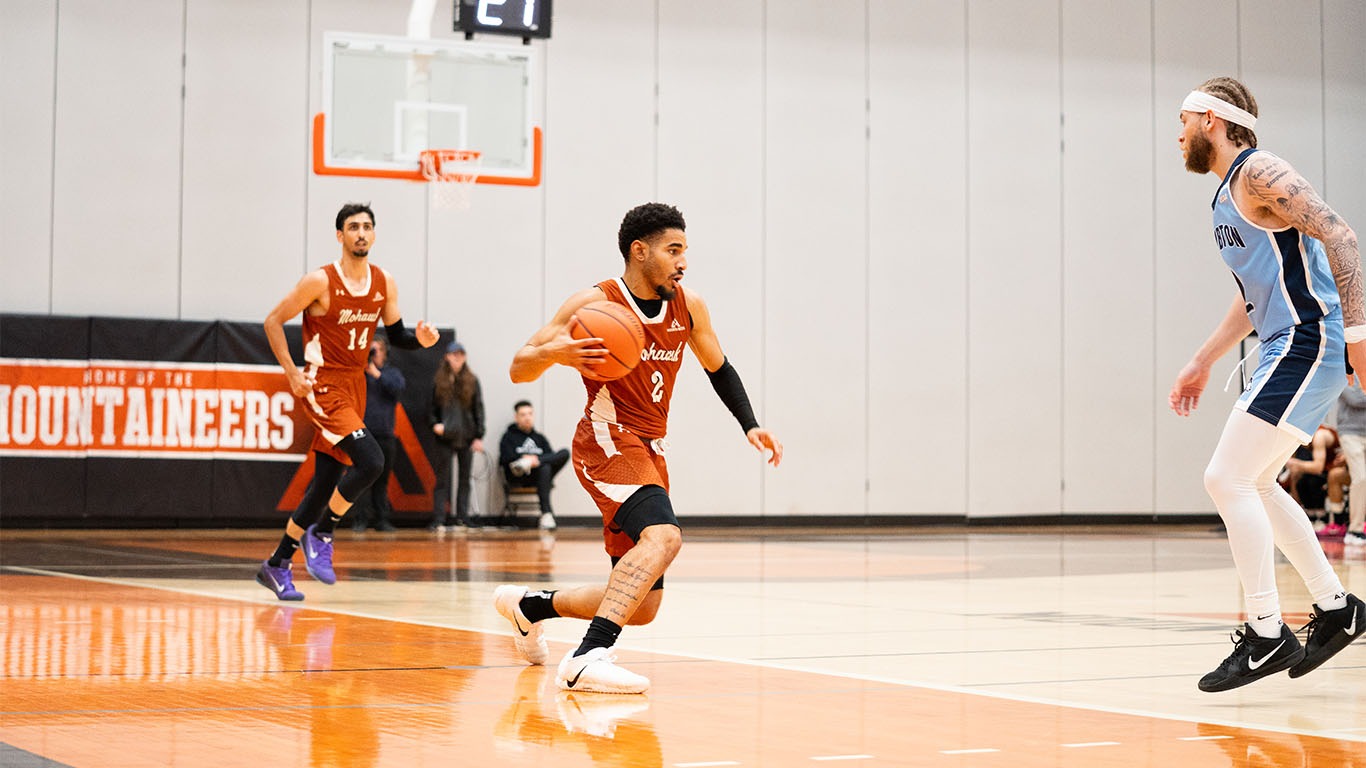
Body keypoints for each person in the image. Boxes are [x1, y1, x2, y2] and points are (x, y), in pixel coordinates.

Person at [492, 202, 783, 694]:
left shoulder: (688, 305)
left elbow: (718, 366)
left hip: (649, 449)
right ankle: (588, 655)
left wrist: (749, 424)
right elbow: (519, 366)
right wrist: (554, 353)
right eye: (673, 250)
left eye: (685, 251)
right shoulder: (594, 303)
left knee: (642, 605)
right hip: (605, 438)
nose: (682, 261)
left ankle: (531, 606)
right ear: (639, 250)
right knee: (665, 537)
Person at [1168, 77, 1366, 691]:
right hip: (1285, 342)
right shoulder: (1227, 195)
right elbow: (1251, 297)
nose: (1176, 134)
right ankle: (1336, 610)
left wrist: (1358, 336)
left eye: (1183, 120)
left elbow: (1340, 235)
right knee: (1251, 480)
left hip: (1312, 338)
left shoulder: (1259, 171)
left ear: (1210, 121)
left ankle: (1264, 632)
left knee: (1225, 478)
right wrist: (1202, 359)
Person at [257, 203, 439, 600]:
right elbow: (273, 321)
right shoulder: (319, 281)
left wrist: (420, 340)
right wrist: (291, 372)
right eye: (353, 226)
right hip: (324, 384)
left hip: (355, 384)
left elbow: (399, 334)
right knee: (372, 460)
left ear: (374, 235)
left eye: (367, 226)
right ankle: (322, 532)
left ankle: (276, 563)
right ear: (339, 235)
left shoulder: (383, 281)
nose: (361, 233)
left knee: (324, 483)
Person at [348, 335, 404, 532]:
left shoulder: (391, 373)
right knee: (361, 478)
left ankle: (381, 519)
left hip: (386, 434)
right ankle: (360, 519)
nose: (373, 354)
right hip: (362, 434)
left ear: (385, 352)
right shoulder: (358, 373)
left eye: (376, 350)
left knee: (382, 480)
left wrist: (376, 374)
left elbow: (398, 388)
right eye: (370, 350)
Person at [430, 341, 485, 530]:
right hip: (445, 436)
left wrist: (479, 435)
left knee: (464, 479)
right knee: (442, 479)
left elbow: (478, 409)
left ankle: (463, 517)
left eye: (461, 354)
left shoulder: (472, 380)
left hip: (466, 436)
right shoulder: (439, 381)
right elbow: (430, 408)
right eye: (454, 354)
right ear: (447, 356)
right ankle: (439, 518)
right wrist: (434, 424)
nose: (457, 357)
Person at [498, 400, 571, 531]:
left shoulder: (539, 438)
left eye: (530, 414)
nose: (527, 417)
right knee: (545, 467)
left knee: (561, 455)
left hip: (540, 475)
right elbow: (504, 460)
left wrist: (535, 460)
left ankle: (546, 515)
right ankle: (546, 514)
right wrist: (521, 459)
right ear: (516, 417)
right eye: (523, 414)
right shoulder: (508, 437)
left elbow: (553, 456)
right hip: (519, 477)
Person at [1335, 382, 1366, 547]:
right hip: (1350, 433)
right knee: (1361, 478)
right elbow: (1356, 399)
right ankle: (1355, 530)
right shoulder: (1345, 372)